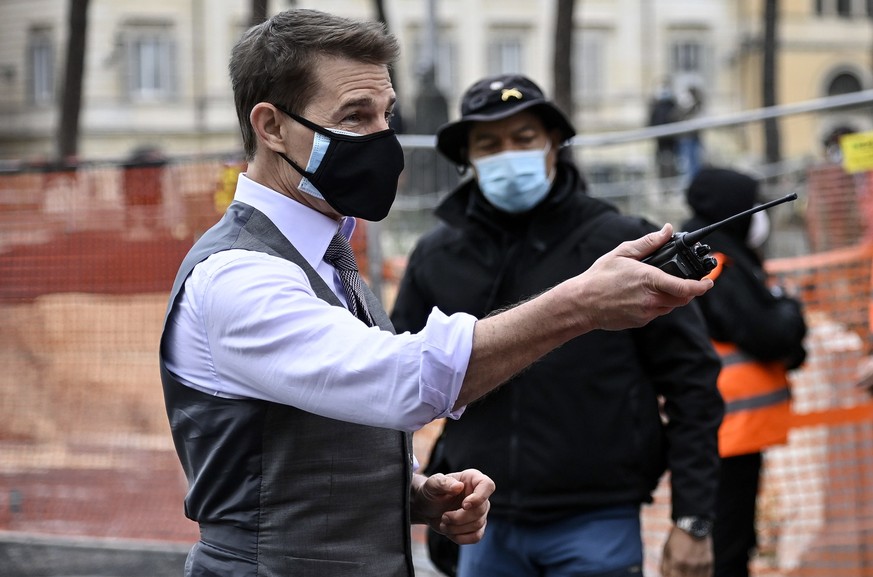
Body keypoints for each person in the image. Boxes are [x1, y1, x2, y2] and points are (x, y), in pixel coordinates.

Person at [159, 10, 715, 577]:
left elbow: (322, 437)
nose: (381, 138)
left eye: (386, 115)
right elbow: (398, 381)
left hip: (594, 514)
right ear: (272, 127)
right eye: (355, 117)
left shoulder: (327, 253)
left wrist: (411, 494)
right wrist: (580, 305)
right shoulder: (239, 275)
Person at [390, 73, 725, 577]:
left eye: (524, 138)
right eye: (489, 143)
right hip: (480, 518)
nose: (508, 155)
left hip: (598, 517)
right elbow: (394, 376)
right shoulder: (437, 255)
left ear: (555, 144)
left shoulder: (621, 245)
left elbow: (692, 383)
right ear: (468, 158)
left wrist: (693, 518)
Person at [681, 167, 808, 577]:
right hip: (726, 426)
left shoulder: (704, 252)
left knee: (734, 534)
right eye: (751, 204)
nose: (758, 214)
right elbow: (768, 332)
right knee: (727, 543)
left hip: (729, 425)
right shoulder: (716, 263)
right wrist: (788, 306)